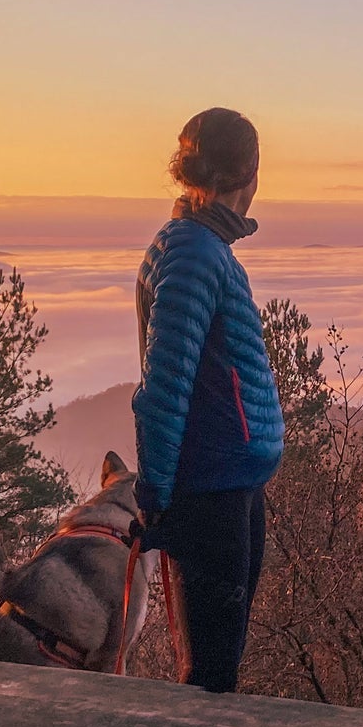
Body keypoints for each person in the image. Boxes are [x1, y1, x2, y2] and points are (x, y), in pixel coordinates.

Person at [131, 107, 285, 692]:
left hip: (228, 485)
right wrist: (156, 497)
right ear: (249, 172)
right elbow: (163, 388)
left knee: (220, 665)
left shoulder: (200, 246)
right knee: (213, 677)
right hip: (212, 493)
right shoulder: (195, 254)